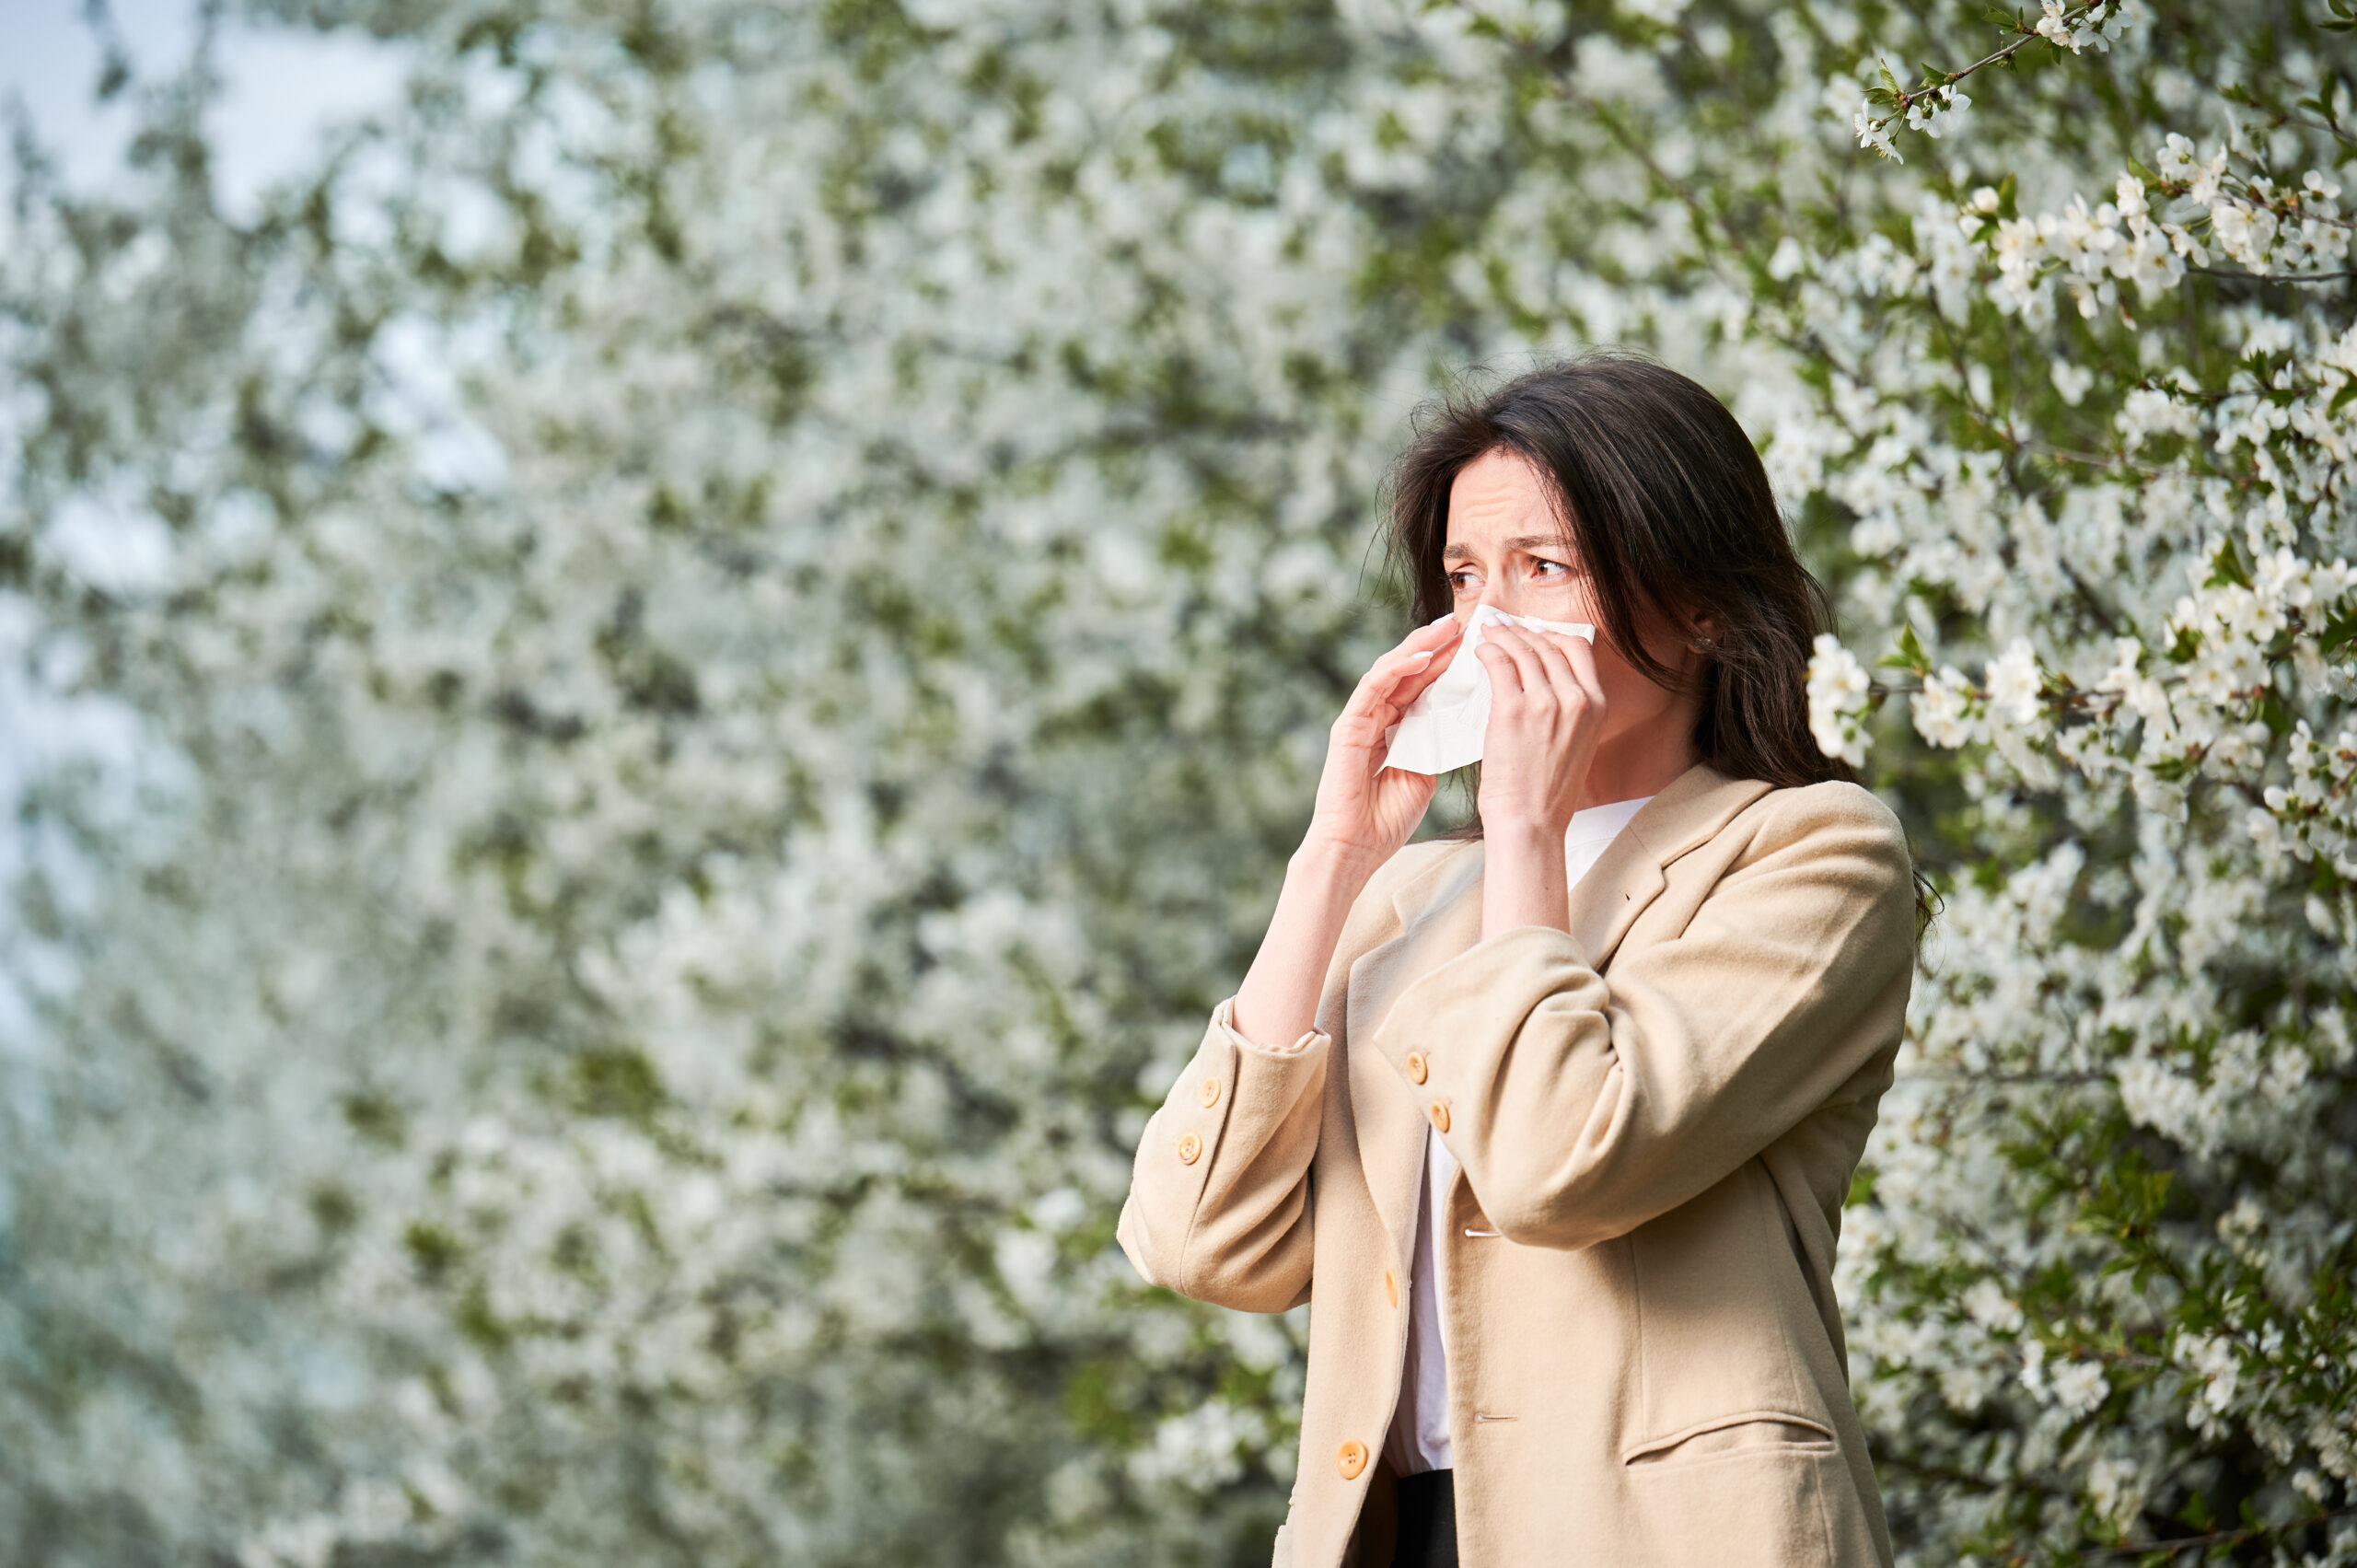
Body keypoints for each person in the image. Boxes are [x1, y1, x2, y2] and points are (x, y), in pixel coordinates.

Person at [1116, 354, 1920, 1568]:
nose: (1488, 623)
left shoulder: (1810, 853)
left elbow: (1560, 1167)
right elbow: (1203, 1242)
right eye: (1461, 578)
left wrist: (1527, 825)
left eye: (1544, 569)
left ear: (1698, 603)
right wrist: (1334, 856)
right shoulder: (1412, 897)